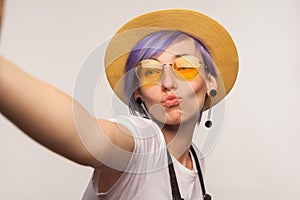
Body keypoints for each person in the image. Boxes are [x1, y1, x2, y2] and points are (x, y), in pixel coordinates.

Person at [0, 9, 238, 200]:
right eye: (151, 72)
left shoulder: (195, 158)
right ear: (138, 94)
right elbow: (87, 136)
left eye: (185, 67)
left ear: (209, 83)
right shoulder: (141, 141)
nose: (168, 82)